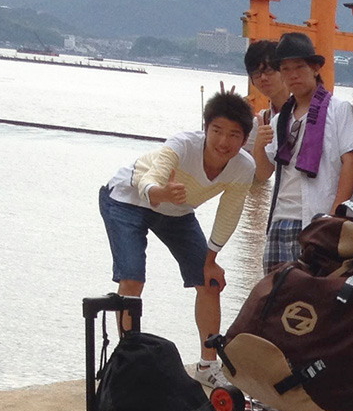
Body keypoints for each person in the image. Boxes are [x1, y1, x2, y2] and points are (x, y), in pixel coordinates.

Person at [99, 91, 255, 386]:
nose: (224, 142)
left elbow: (229, 213)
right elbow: (150, 178)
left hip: (177, 211)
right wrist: (159, 193)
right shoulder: (182, 145)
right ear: (205, 128)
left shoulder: (243, 167)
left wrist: (211, 260)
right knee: (132, 278)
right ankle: (127, 362)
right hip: (127, 199)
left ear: (244, 139)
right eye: (217, 131)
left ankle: (208, 366)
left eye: (234, 135)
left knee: (209, 282)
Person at [253, 32, 353, 273]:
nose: (292, 75)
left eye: (299, 67)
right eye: (286, 69)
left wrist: (336, 213)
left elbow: (351, 161)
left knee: (315, 297)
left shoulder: (338, 110)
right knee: (274, 299)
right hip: (281, 219)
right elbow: (263, 173)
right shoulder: (280, 119)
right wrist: (259, 146)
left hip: (318, 217)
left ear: (315, 68)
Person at [243, 39, 288, 157]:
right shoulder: (262, 120)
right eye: (256, 73)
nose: (263, 78)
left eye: (268, 71)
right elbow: (243, 161)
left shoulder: (307, 112)